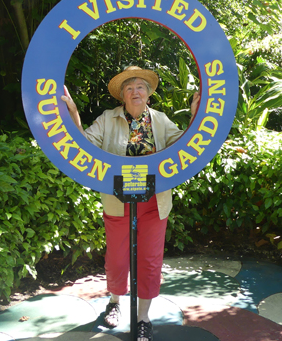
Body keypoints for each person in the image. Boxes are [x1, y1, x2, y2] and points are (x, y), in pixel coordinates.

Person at [61, 66, 199, 341]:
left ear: (148, 93)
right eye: (129, 88)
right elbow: (83, 147)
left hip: (154, 201)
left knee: (149, 259)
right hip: (117, 199)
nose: (135, 91)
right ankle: (114, 302)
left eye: (140, 87)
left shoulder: (160, 120)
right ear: (122, 95)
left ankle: (143, 317)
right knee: (117, 257)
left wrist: (197, 117)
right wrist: (74, 114)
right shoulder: (107, 119)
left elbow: (184, 147)